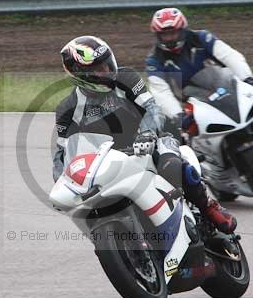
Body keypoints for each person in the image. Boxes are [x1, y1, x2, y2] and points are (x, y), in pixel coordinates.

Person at [52, 35, 237, 234]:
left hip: (150, 141)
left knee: (172, 165)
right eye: (98, 69)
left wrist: (148, 134)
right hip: (107, 163)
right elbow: (62, 154)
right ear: (79, 74)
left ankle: (208, 206)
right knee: (88, 210)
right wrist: (65, 183)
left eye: (106, 64)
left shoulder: (126, 78)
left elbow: (152, 108)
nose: (106, 71)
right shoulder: (67, 109)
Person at [144, 7, 253, 148]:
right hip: (189, 103)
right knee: (184, 144)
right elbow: (160, 92)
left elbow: (229, 56)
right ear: (157, 36)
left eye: (174, 33)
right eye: (165, 35)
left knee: (251, 104)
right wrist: (178, 115)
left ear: (183, 30)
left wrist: (248, 78)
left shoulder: (201, 38)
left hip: (220, 87)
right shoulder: (154, 60)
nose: (170, 38)